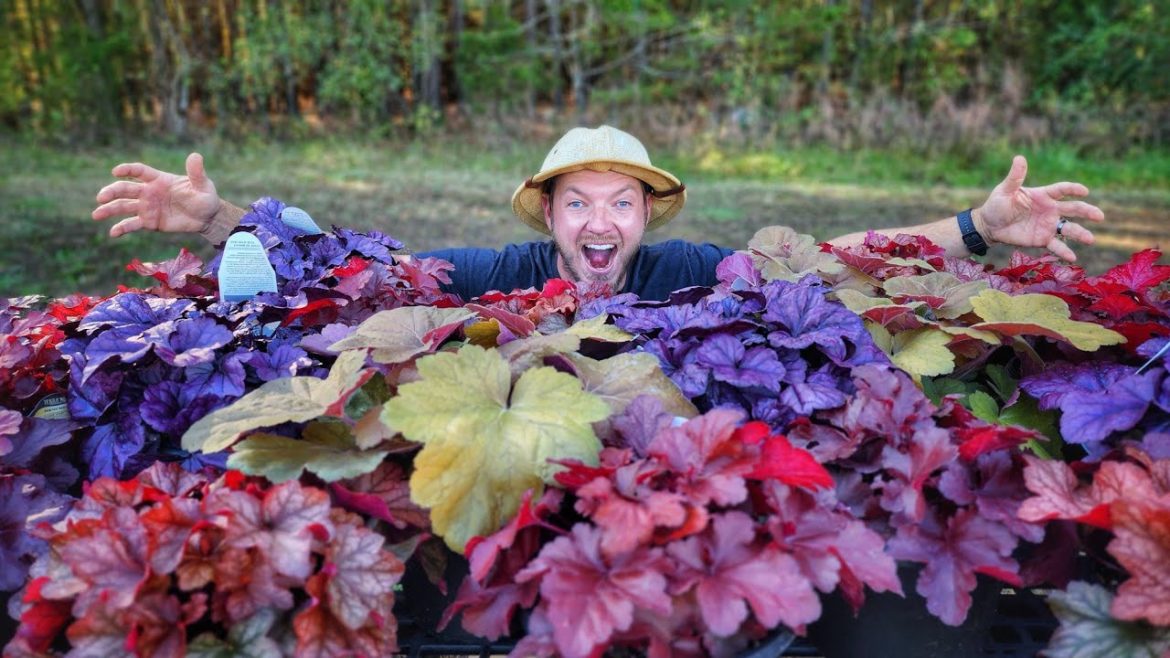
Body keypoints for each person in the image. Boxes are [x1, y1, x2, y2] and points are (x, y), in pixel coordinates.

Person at [91, 125, 1104, 301]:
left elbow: (827, 261)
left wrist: (974, 228)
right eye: (580, 203)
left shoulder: (683, 271)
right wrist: (226, 220)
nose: (601, 219)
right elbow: (373, 265)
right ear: (551, 217)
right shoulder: (508, 277)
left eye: (623, 200)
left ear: (648, 217)